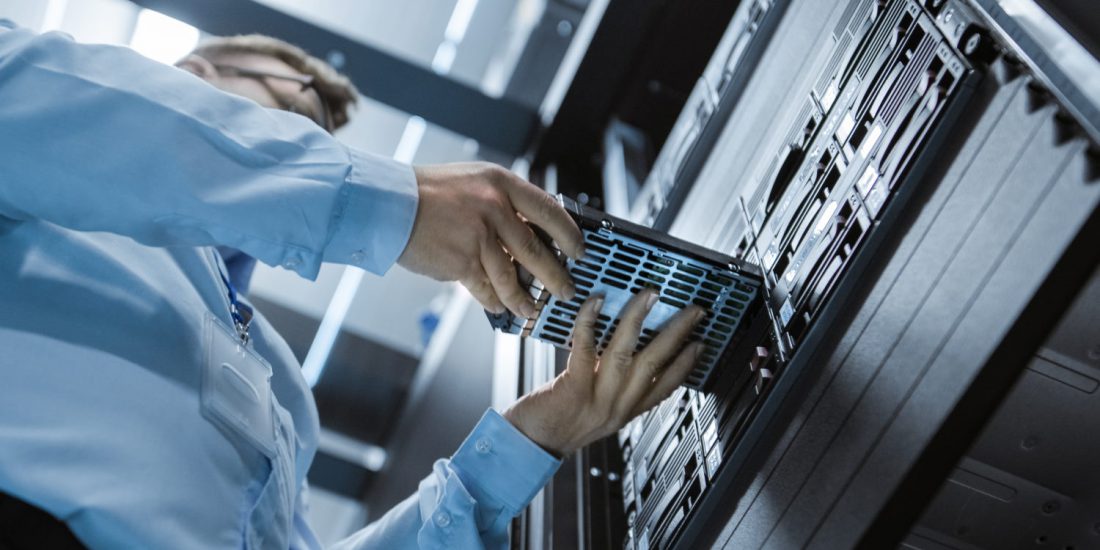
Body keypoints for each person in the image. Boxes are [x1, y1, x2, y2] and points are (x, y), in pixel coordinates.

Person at [0, 20, 704, 549]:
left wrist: (534, 437)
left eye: (324, 140)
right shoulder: (52, 212)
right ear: (195, 69)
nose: (310, 137)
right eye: (296, 99)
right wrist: (392, 204)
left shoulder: (281, 389)